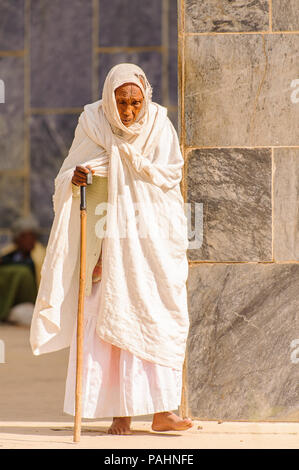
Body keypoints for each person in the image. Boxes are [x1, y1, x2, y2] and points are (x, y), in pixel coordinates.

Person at [30, 63, 192, 434]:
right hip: (106, 245)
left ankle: (163, 411)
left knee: (158, 318)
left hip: (150, 245)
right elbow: (68, 174)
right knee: (110, 322)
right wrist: (77, 178)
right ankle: (121, 412)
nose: (129, 111)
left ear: (145, 97)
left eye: (135, 102)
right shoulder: (92, 123)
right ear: (109, 99)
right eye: (122, 102)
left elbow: (170, 175)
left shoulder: (158, 125)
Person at [0, 214, 46, 325]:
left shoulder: (39, 255)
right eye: (25, 237)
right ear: (17, 239)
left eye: (32, 236)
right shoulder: (9, 253)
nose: (29, 240)